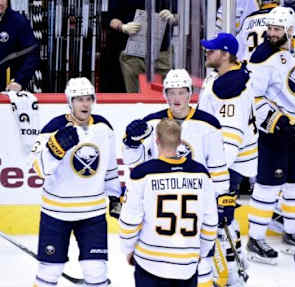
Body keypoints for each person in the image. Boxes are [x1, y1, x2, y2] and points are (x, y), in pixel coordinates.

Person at [122, 68, 235, 286]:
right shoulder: (152, 123)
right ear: (164, 95)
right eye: (171, 93)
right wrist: (131, 143)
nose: (176, 98)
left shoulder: (209, 124)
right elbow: (134, 162)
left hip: (194, 203)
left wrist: (222, 198)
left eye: (181, 92)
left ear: (190, 93)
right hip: (159, 205)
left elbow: (218, 169)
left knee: (202, 267)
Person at [246, 6, 295, 264]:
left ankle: (291, 232)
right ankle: (255, 238)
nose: (271, 33)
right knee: (268, 187)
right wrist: (275, 120)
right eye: (269, 28)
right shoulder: (261, 57)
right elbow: (253, 97)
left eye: (277, 29)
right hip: (275, 133)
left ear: (290, 30)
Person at [30, 77, 122, 287]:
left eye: (88, 98)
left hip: (93, 213)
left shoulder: (103, 127)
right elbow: (39, 169)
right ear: (70, 102)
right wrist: (54, 150)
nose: (84, 104)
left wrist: (115, 195)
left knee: (96, 271)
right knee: (49, 272)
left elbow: (109, 168)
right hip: (56, 213)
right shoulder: (53, 127)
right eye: (79, 99)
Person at [119, 118, 218, 287]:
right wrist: (200, 251)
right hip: (187, 265)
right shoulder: (201, 173)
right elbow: (210, 222)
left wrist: (128, 250)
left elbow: (129, 221)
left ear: (156, 140)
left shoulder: (143, 173)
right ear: (180, 141)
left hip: (150, 262)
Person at [198, 32, 257, 285]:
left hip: (229, 164)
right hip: (233, 161)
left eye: (212, 50)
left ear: (226, 54)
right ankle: (235, 263)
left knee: (218, 217)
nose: (207, 52)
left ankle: (230, 276)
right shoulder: (225, 77)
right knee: (225, 216)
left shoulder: (229, 89)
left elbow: (230, 141)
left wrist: (216, 175)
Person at [108, 0, 178, 92]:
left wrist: (172, 17)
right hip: (133, 54)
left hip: (161, 53)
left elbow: (181, 17)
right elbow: (112, 18)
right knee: (135, 98)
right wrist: (123, 27)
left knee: (163, 97)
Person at [0, 0, 40, 92]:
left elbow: (33, 54)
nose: (1, 2)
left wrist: (19, 81)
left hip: (8, 92)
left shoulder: (18, 22)